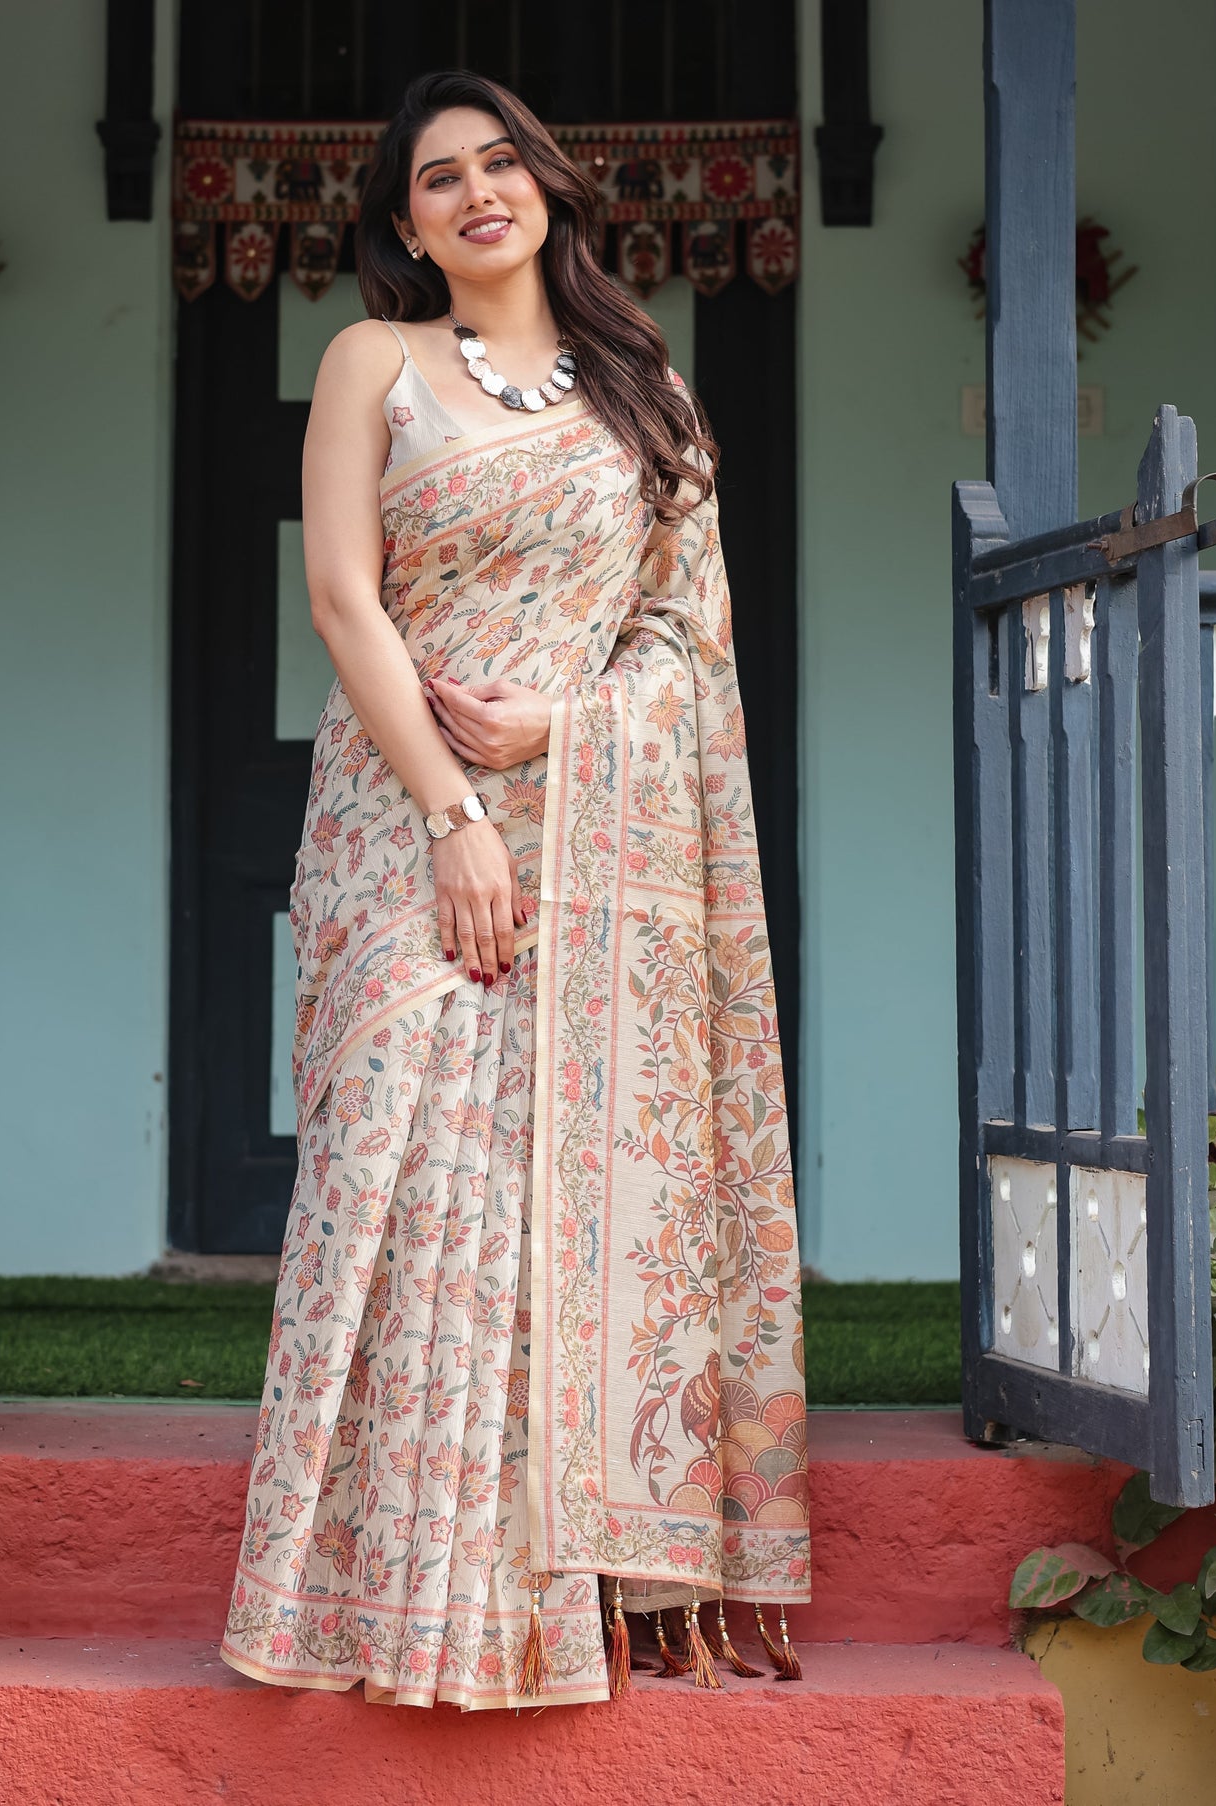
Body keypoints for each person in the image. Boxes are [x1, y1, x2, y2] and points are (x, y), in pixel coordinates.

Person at [220, 68, 810, 1711]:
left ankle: (554, 1599)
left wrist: (566, 721)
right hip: (403, 824)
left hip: (600, 835)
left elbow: (687, 645)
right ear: (400, 222)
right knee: (403, 1164)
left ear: (548, 184)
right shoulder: (372, 364)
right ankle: (383, 1598)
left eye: (500, 164)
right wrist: (451, 813)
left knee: (555, 1193)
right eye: (436, 179)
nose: (476, 194)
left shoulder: (652, 396)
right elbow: (344, 601)